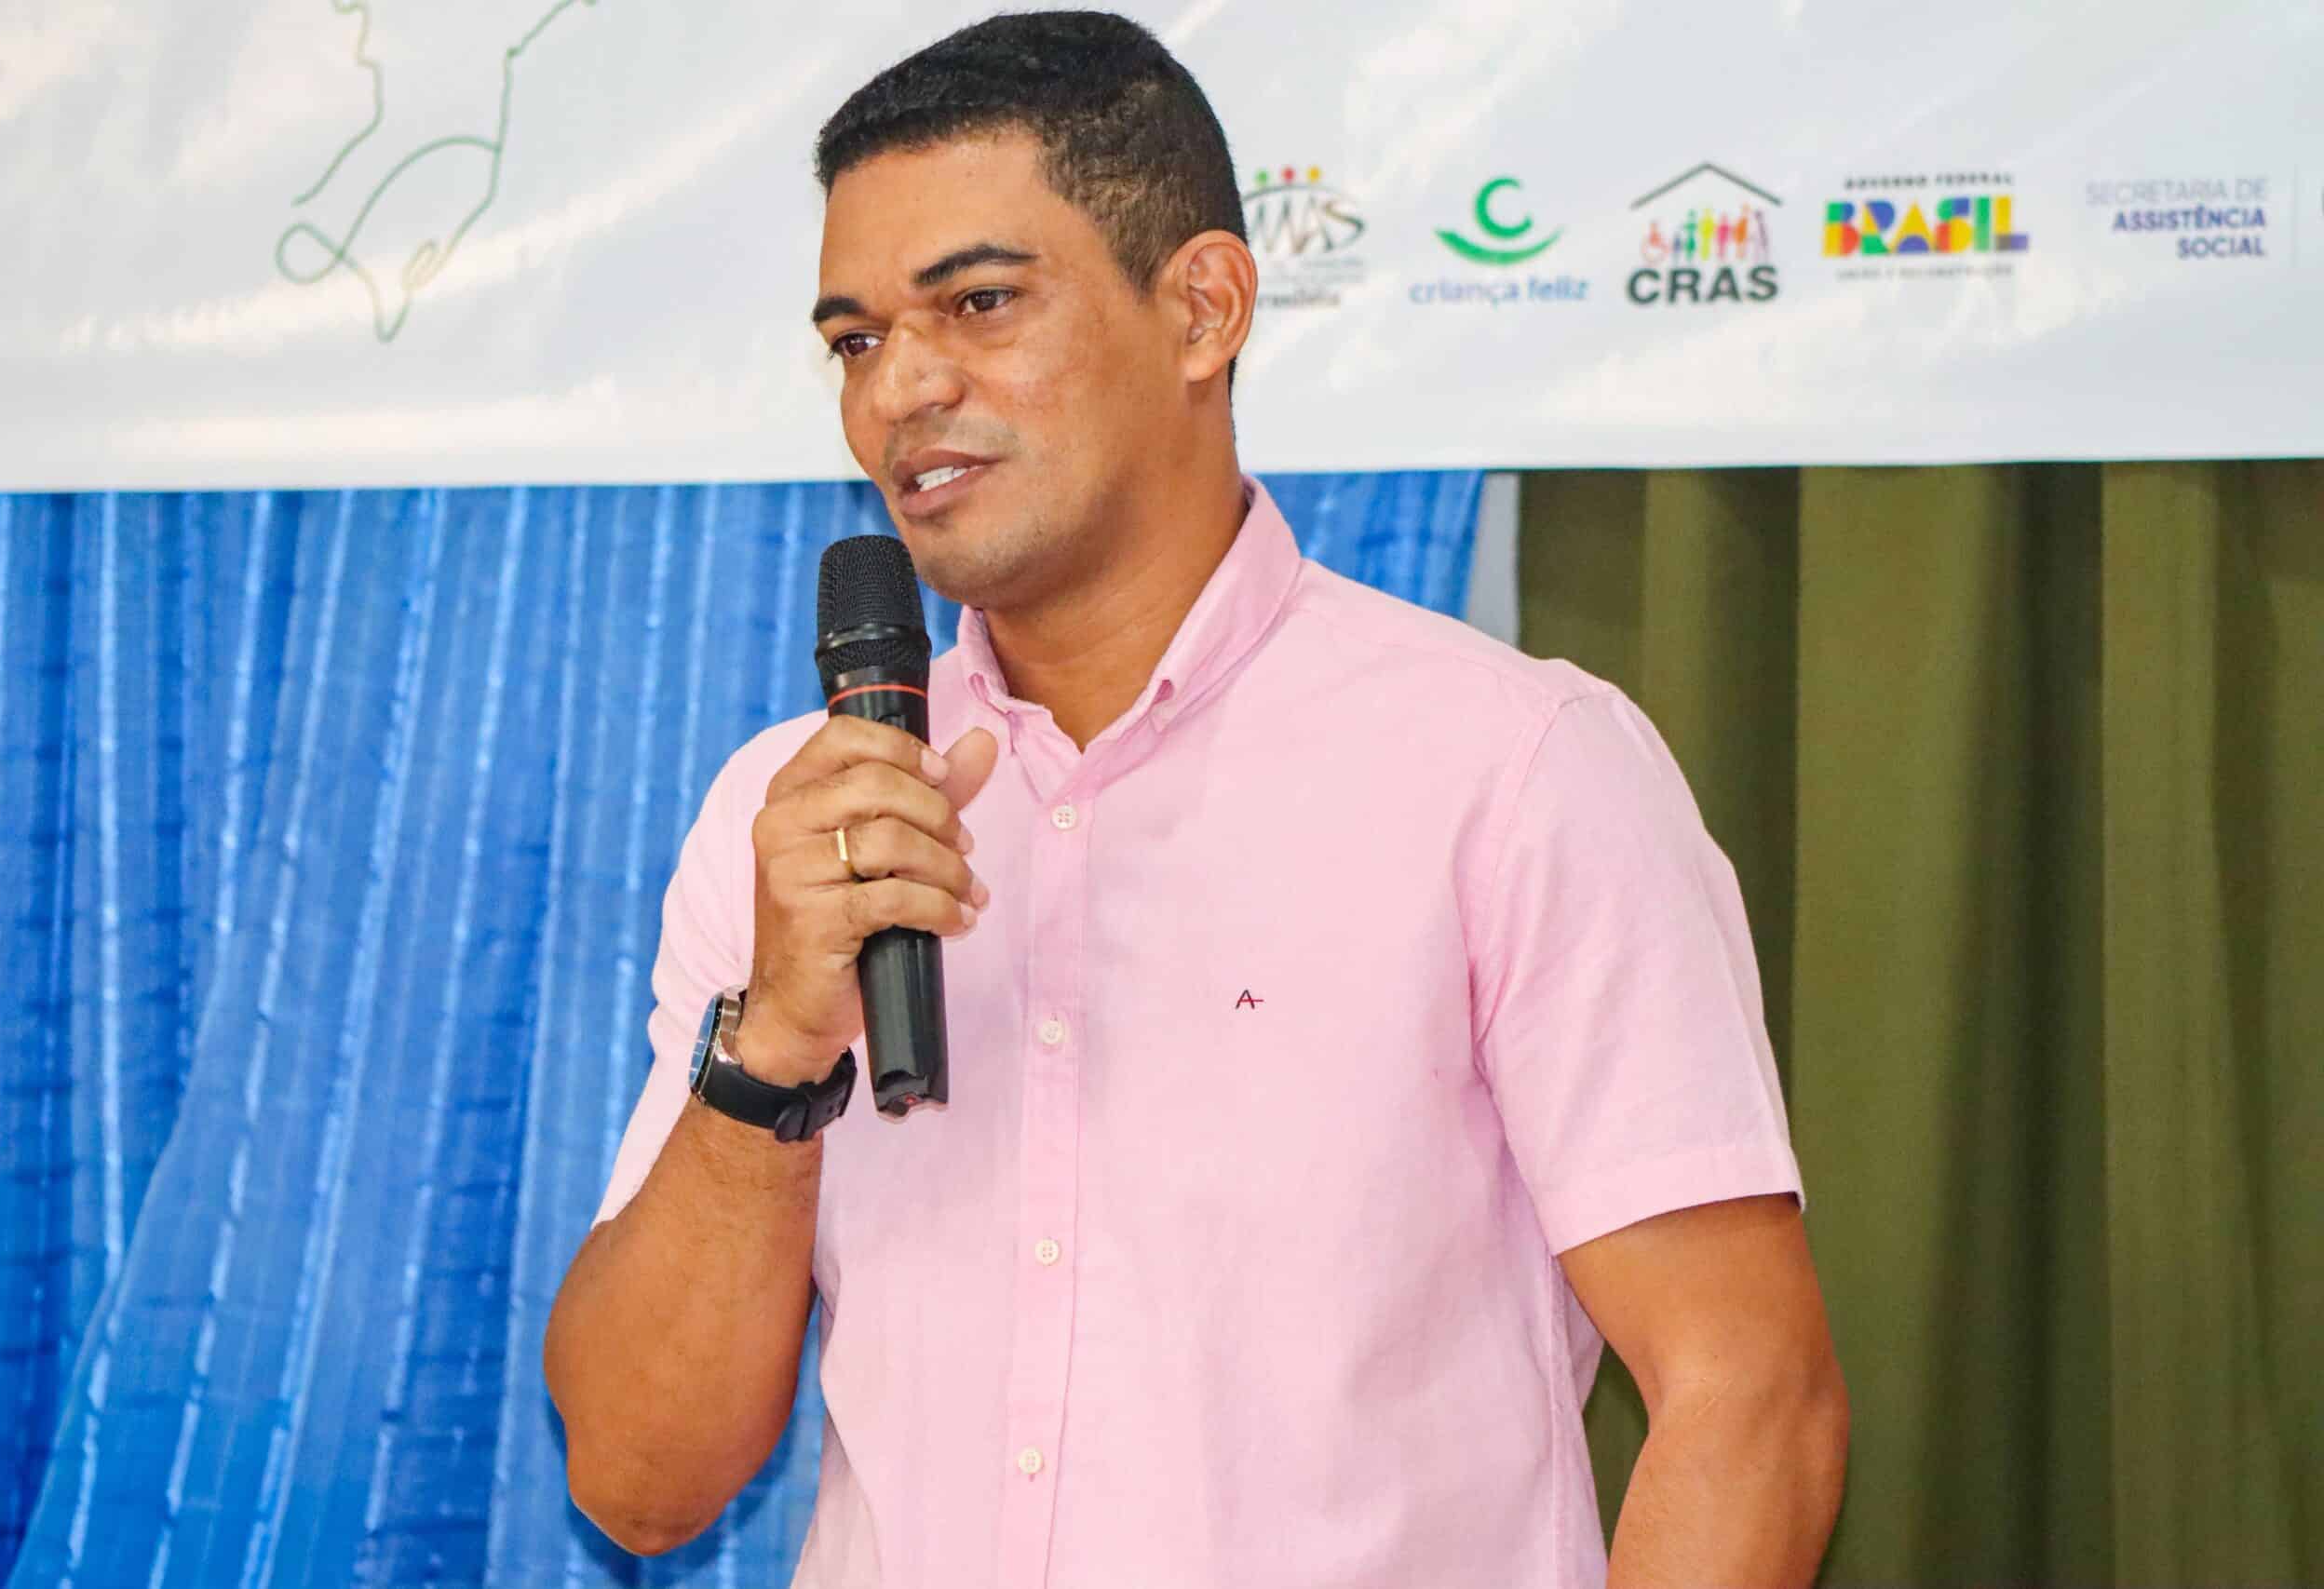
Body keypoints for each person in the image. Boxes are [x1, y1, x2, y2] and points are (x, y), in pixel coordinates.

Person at [543, 12, 1847, 1585]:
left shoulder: (1509, 768)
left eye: (979, 303)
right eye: (857, 340)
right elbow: (638, 1483)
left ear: (1203, 308)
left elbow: (1747, 1399)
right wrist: (771, 1055)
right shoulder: (798, 813)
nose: (903, 389)